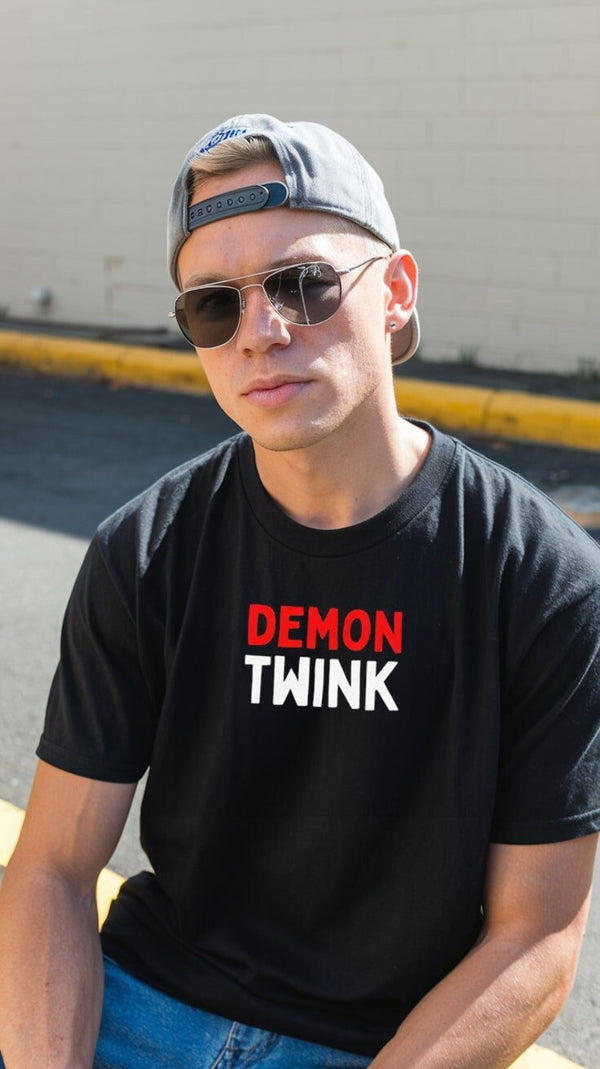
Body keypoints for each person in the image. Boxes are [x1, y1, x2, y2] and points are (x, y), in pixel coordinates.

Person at [0, 114, 598, 1069]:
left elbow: (537, 939)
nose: (262, 332)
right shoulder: (146, 550)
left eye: (305, 283)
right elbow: (55, 871)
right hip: (139, 1006)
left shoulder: (539, 575)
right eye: (213, 306)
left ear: (396, 293)